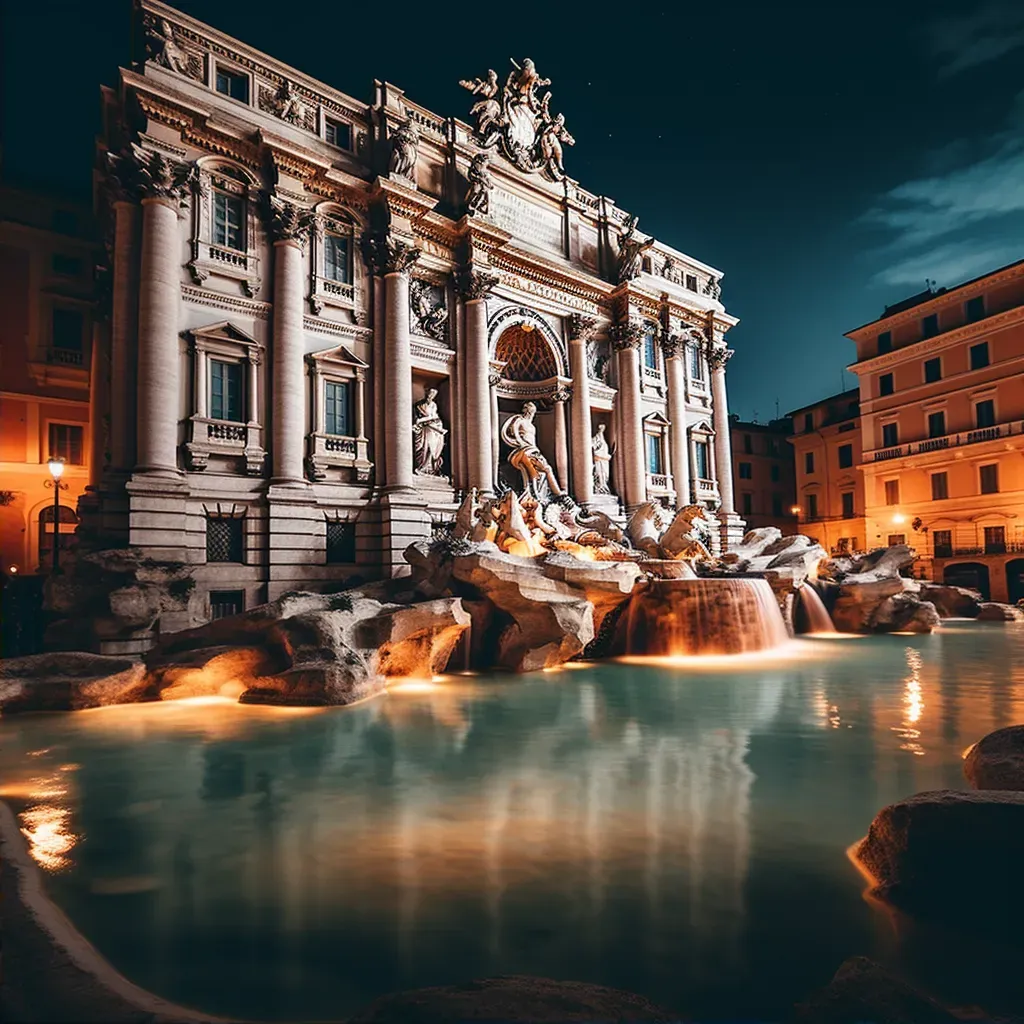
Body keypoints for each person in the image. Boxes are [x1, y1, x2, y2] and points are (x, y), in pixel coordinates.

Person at [500, 402, 562, 500]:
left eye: (532, 411)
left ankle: (549, 495)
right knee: (539, 471)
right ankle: (537, 495)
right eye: (529, 410)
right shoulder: (519, 420)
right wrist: (519, 443)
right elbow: (511, 432)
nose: (531, 413)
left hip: (533, 450)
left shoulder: (532, 426)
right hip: (524, 450)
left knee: (545, 470)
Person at [412, 388, 447, 475]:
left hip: (433, 429)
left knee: (432, 448)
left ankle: (430, 469)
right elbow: (416, 419)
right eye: (429, 394)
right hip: (424, 429)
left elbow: (433, 416)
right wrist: (421, 421)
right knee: (423, 447)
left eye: (433, 395)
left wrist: (425, 420)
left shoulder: (433, 405)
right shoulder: (419, 405)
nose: (430, 396)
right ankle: (421, 467)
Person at [592, 423, 613, 494]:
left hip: (604, 462)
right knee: (599, 475)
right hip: (599, 461)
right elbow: (595, 451)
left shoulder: (603, 441)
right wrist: (606, 457)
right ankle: (600, 488)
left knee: (605, 475)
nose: (602, 430)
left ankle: (604, 488)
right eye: (601, 429)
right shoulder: (596, 439)